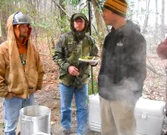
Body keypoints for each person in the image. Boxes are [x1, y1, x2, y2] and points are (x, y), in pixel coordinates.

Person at [0, 11, 44, 135]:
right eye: (22, 26)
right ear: (14, 28)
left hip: (29, 95)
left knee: (29, 124)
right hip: (13, 97)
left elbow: (39, 68)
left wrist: (37, 85)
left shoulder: (31, 48)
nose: (25, 28)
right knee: (10, 127)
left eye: (26, 26)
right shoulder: (3, 50)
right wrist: (5, 93)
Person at [98, 0, 146, 135]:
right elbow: (107, 65)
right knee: (107, 132)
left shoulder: (135, 38)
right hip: (105, 94)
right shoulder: (109, 37)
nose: (103, 14)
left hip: (123, 98)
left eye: (105, 11)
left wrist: (130, 97)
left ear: (116, 12)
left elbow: (140, 71)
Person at [53, 13, 98, 135]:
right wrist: (68, 68)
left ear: (85, 23)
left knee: (82, 108)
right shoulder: (64, 38)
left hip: (82, 80)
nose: (79, 24)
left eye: (81, 22)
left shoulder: (90, 40)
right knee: (65, 107)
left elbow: (95, 56)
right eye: (76, 21)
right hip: (66, 79)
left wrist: (94, 62)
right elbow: (57, 56)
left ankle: (81, 131)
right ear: (73, 23)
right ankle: (66, 128)